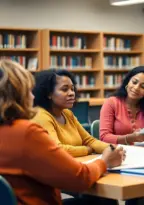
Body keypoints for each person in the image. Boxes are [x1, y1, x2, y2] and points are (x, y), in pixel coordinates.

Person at [0, 59, 125, 205]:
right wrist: (104, 161)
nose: (33, 96)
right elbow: (79, 179)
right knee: (105, 202)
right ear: (16, 95)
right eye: (28, 91)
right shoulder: (26, 132)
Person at [32, 69, 108, 158]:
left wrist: (113, 148)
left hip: (78, 163)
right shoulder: (41, 116)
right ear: (49, 93)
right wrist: (88, 150)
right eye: (65, 89)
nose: (72, 93)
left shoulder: (67, 113)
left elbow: (89, 140)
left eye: (72, 89)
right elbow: (57, 149)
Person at [100, 66, 144, 145]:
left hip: (142, 153)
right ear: (128, 81)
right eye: (134, 82)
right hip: (117, 153)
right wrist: (131, 138)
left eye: (143, 87)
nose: (136, 88)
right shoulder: (111, 103)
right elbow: (104, 137)